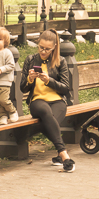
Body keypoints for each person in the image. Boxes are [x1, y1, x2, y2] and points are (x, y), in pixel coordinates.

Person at [21, 29, 75, 171]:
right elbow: (22, 88)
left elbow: (65, 88)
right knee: (46, 113)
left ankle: (59, 156)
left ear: (54, 47)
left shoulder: (60, 61)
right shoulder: (30, 60)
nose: (43, 51)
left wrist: (49, 80)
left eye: (47, 49)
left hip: (57, 100)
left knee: (48, 123)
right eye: (41, 47)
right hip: (38, 101)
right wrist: (29, 79)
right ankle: (64, 155)